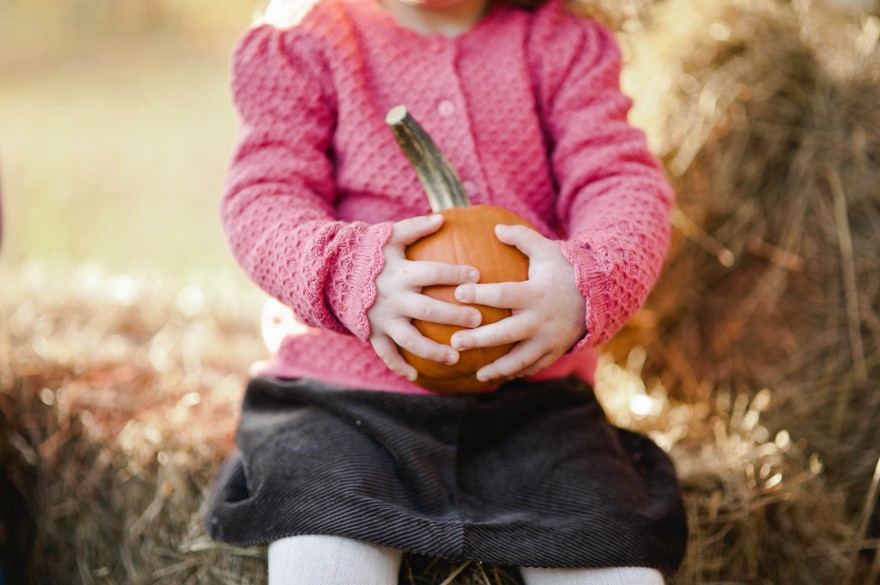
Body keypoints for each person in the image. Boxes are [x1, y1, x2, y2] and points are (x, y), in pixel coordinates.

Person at [205, 0, 688, 581]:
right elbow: (265, 198)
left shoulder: (560, 43)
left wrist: (588, 282)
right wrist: (350, 274)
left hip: (530, 402)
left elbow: (619, 180)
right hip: (342, 399)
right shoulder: (304, 37)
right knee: (325, 553)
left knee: (613, 564)